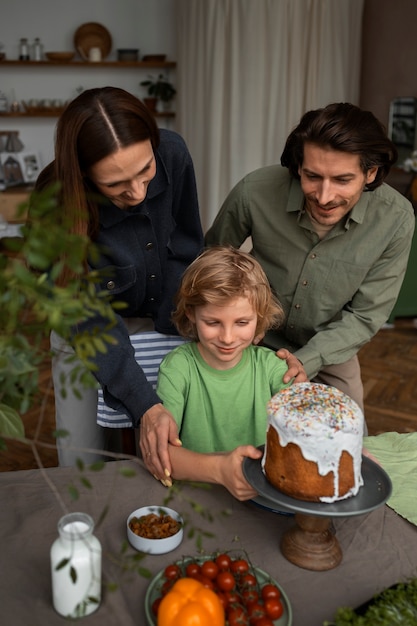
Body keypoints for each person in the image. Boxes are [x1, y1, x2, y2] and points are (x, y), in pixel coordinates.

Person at [205, 102, 415, 427]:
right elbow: (211, 263)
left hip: (331, 346)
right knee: (230, 428)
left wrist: (307, 359)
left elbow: (365, 315)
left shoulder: (396, 218)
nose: (325, 196)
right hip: (251, 335)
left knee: (348, 437)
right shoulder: (255, 191)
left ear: (370, 173)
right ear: (298, 166)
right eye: (312, 176)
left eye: (343, 180)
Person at [33, 86, 205, 471]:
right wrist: (142, 403)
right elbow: (85, 317)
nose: (138, 192)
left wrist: (173, 326)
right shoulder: (54, 201)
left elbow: (186, 246)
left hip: (167, 313)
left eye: (145, 171)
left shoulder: (174, 154)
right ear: (84, 177)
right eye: (115, 185)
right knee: (84, 461)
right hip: (86, 331)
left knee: (180, 443)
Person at [155, 246, 291, 500]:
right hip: (196, 499)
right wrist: (220, 469)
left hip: (262, 497)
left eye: (242, 323)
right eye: (213, 322)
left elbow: (308, 426)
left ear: (259, 318)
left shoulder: (274, 368)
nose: (227, 338)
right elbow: (162, 454)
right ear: (191, 314)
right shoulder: (178, 368)